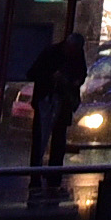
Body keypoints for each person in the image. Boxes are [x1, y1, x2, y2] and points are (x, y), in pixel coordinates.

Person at [27, 32, 86, 169]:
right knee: (53, 139)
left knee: (46, 139)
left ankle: (41, 172)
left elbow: (32, 73)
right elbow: (33, 73)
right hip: (55, 100)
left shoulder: (53, 52)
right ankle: (51, 173)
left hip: (49, 100)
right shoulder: (70, 55)